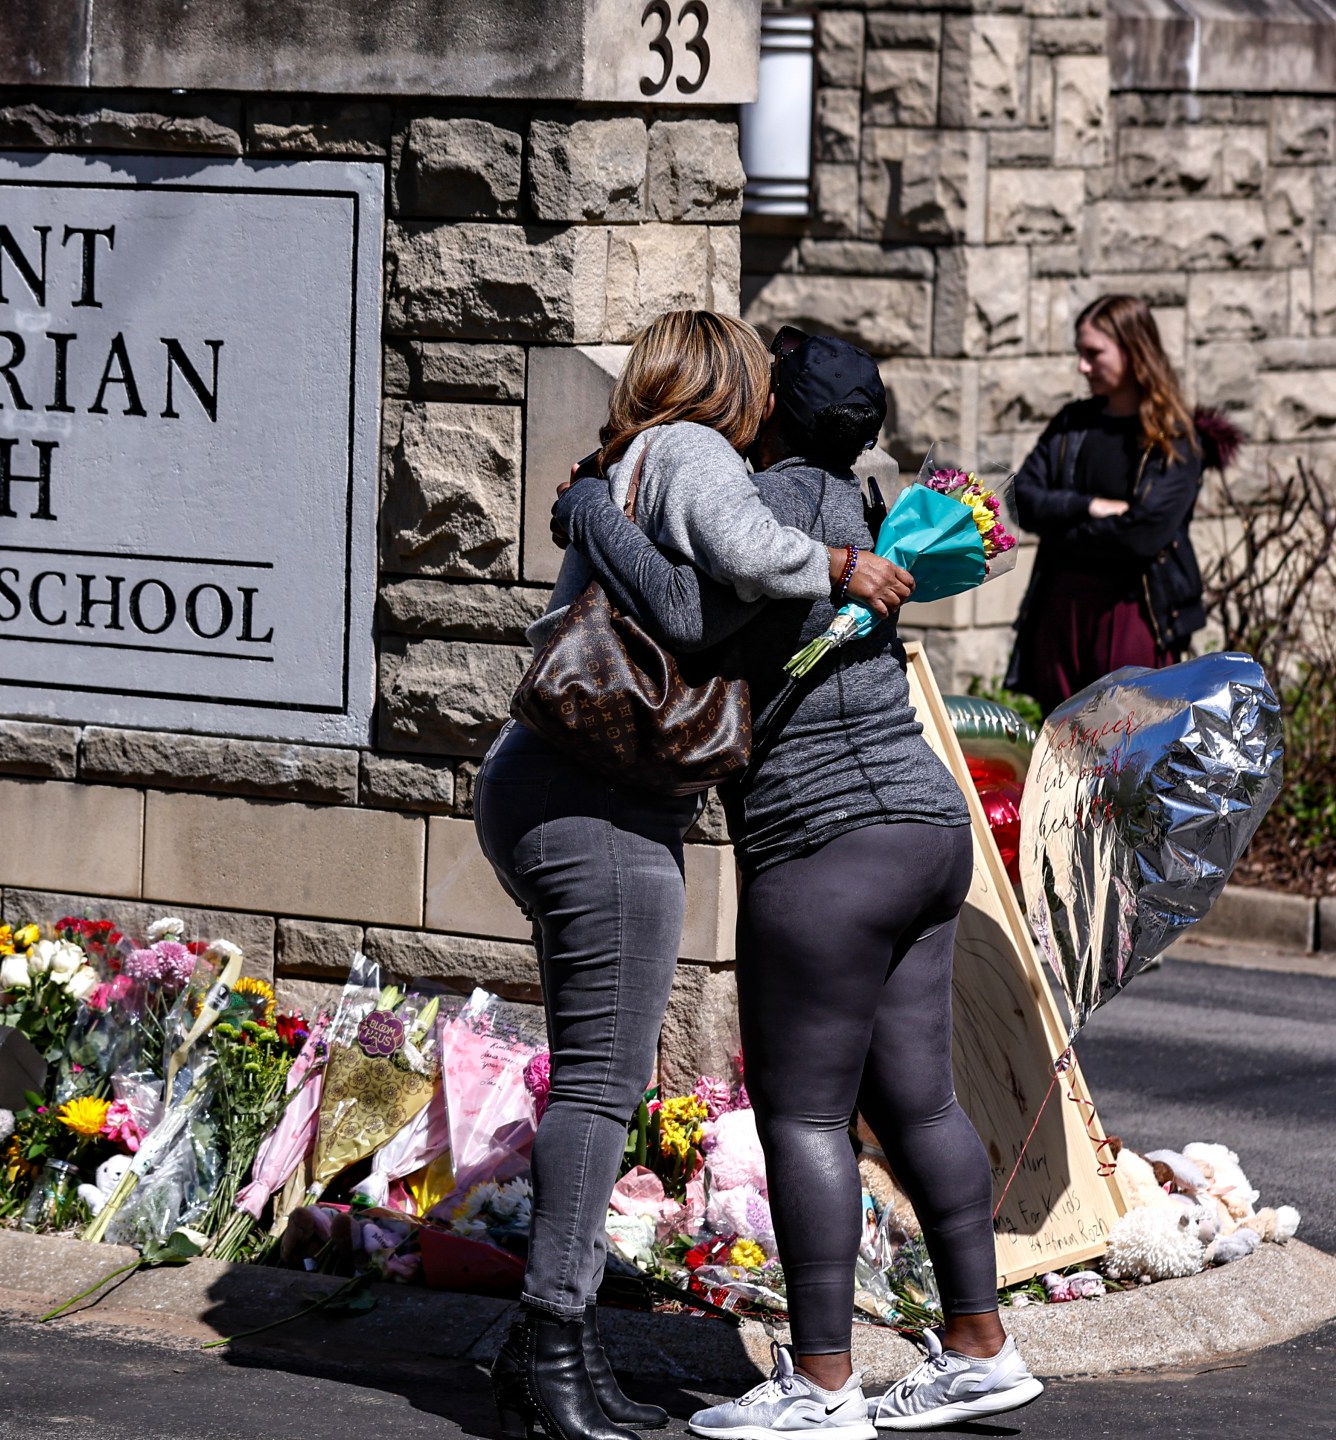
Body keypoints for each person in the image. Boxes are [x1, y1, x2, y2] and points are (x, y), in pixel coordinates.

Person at [556, 329, 1039, 1437]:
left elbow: (687, 616)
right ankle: (978, 1345)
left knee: (804, 1111)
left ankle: (821, 1387)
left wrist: (590, 514)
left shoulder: (762, 504)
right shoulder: (871, 510)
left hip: (824, 839)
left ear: (770, 406)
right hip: (926, 821)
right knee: (917, 1098)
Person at [477, 311, 914, 1440]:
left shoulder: (633, 462)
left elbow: (678, 604)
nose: (769, 400)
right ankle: (545, 1344)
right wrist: (831, 562)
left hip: (571, 792)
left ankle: (551, 1345)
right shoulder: (691, 452)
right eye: (759, 381)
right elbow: (721, 583)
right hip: (595, 804)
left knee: (597, 1079)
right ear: (728, 381)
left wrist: (586, 510)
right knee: (597, 1086)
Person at [1006, 294, 1205, 708]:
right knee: (1062, 752)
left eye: (1094, 354)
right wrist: (1088, 506)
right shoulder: (1072, 424)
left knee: (1127, 747)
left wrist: (1059, 525)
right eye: (1080, 354)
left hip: (1133, 611)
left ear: (1134, 351)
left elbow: (1142, 534)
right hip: (1060, 611)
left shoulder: (1171, 439)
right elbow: (1021, 497)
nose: (1083, 367)